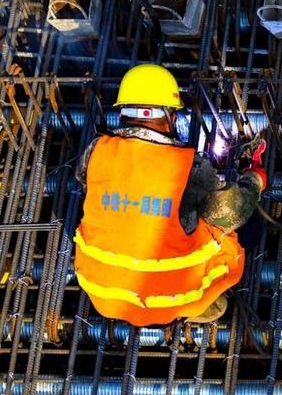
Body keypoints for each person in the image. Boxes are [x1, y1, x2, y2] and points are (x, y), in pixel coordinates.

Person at [73, 64, 266, 326]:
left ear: (122, 114)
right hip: (165, 301)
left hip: (102, 293)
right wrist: (254, 179)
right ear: (168, 116)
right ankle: (195, 306)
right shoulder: (189, 166)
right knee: (248, 225)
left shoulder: (95, 151)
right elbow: (230, 212)